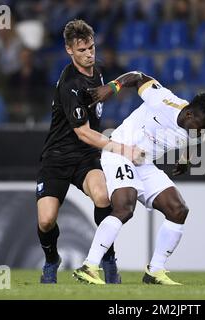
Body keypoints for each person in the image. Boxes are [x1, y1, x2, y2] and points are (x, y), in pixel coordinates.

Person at [72, 71, 205, 285]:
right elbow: (137, 76)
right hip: (120, 152)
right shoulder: (163, 101)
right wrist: (112, 88)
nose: (200, 131)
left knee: (178, 209)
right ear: (189, 114)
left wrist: (186, 159)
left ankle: (154, 272)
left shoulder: (200, 129)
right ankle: (89, 266)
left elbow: (197, 140)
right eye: (200, 126)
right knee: (125, 207)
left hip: (144, 163)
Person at [36, 19, 144, 284]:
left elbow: (111, 87)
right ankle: (51, 260)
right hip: (57, 157)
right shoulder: (70, 84)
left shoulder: (97, 71)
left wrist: (120, 85)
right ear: (69, 50)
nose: (89, 53)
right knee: (47, 221)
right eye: (82, 50)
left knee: (102, 196)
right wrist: (124, 149)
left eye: (91, 47)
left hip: (85, 157)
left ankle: (108, 260)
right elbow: (83, 132)